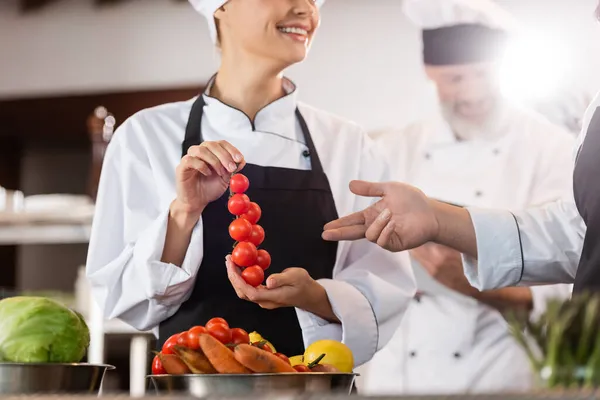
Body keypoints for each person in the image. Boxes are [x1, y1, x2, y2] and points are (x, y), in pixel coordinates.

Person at [85, 0, 416, 365]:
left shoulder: (347, 143)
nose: (306, 9)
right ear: (219, 8)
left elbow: (387, 287)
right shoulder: (146, 137)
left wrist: (316, 297)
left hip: (311, 387)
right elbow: (121, 298)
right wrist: (184, 213)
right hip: (192, 386)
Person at [357, 0, 574, 395]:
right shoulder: (390, 149)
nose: (472, 93)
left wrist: (474, 282)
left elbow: (573, 278)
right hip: (397, 376)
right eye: (455, 79)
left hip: (494, 374)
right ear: (429, 74)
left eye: (482, 75)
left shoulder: (553, 150)